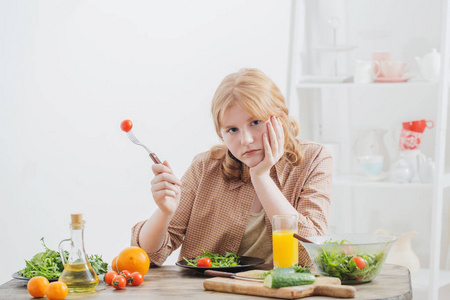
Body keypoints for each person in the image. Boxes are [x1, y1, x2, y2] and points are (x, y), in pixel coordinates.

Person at [131, 68, 332, 267]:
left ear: (280, 119)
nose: (246, 140)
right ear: (222, 135)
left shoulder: (313, 159)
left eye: (255, 122)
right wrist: (164, 212)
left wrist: (261, 176)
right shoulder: (204, 168)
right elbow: (149, 257)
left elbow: (312, 253)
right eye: (232, 129)